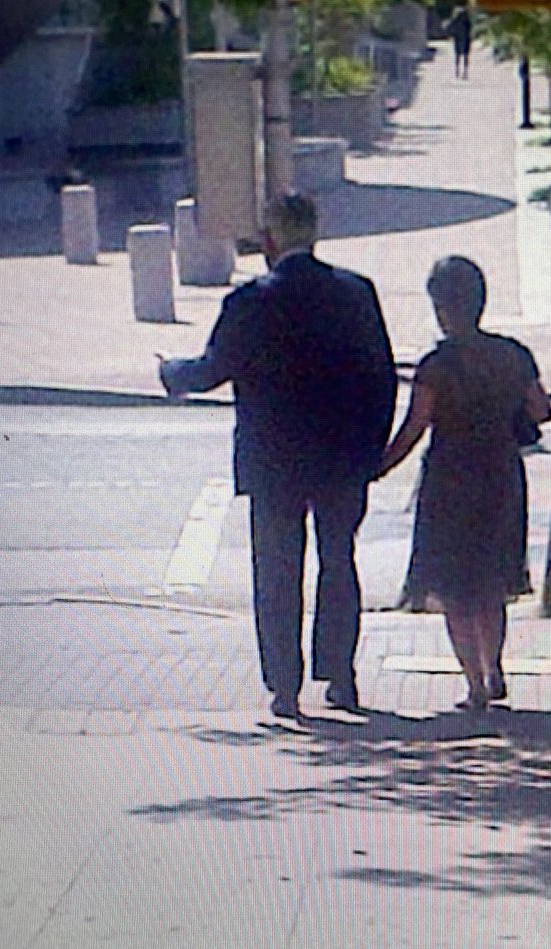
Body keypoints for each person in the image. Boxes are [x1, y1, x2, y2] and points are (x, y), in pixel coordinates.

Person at [158, 193, 397, 719]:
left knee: (277, 571)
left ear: (269, 239)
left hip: (274, 461)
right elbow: (383, 378)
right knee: (339, 562)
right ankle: (340, 676)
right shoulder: (357, 294)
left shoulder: (249, 302)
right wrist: (372, 452)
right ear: (315, 233)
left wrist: (172, 374)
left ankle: (285, 686)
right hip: (341, 458)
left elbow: (213, 368)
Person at [376, 257, 551, 711]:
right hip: (500, 476)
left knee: (455, 588)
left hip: (449, 483)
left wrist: (379, 467)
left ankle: (474, 684)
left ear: (441, 308)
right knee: (493, 581)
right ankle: (494, 668)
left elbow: (415, 427)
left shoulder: (436, 366)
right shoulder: (513, 354)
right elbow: (541, 410)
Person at [446, 4, 472, 80]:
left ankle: (459, 71)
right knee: (465, 56)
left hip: (459, 39)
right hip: (465, 39)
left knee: (458, 55)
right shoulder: (466, 21)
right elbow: (469, 29)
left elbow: (450, 29)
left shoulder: (456, 21)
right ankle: (464, 71)